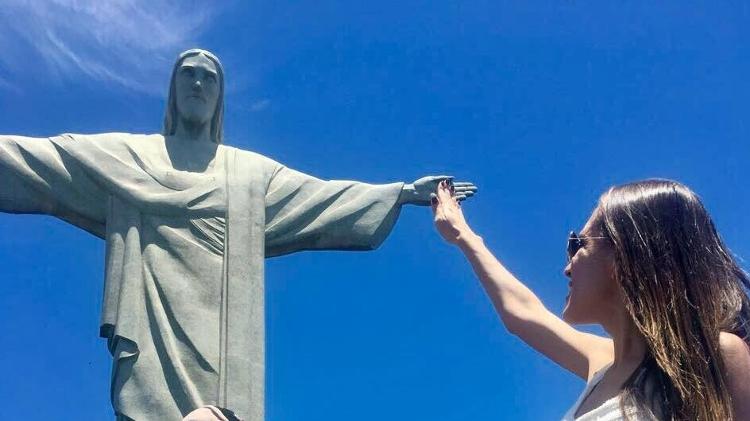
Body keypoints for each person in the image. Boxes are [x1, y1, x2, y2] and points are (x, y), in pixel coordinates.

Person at [0, 49, 477, 420]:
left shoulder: (247, 175)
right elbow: (47, 159)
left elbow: (321, 197)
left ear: (220, 97)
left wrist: (397, 193)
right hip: (152, 324)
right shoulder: (129, 157)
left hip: (224, 336)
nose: (198, 83)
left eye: (210, 78)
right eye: (188, 73)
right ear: (172, 90)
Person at [431, 179, 750, 420]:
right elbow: (523, 313)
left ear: (625, 254)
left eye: (577, 245)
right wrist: (462, 235)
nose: (567, 266)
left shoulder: (714, 356)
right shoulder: (604, 363)